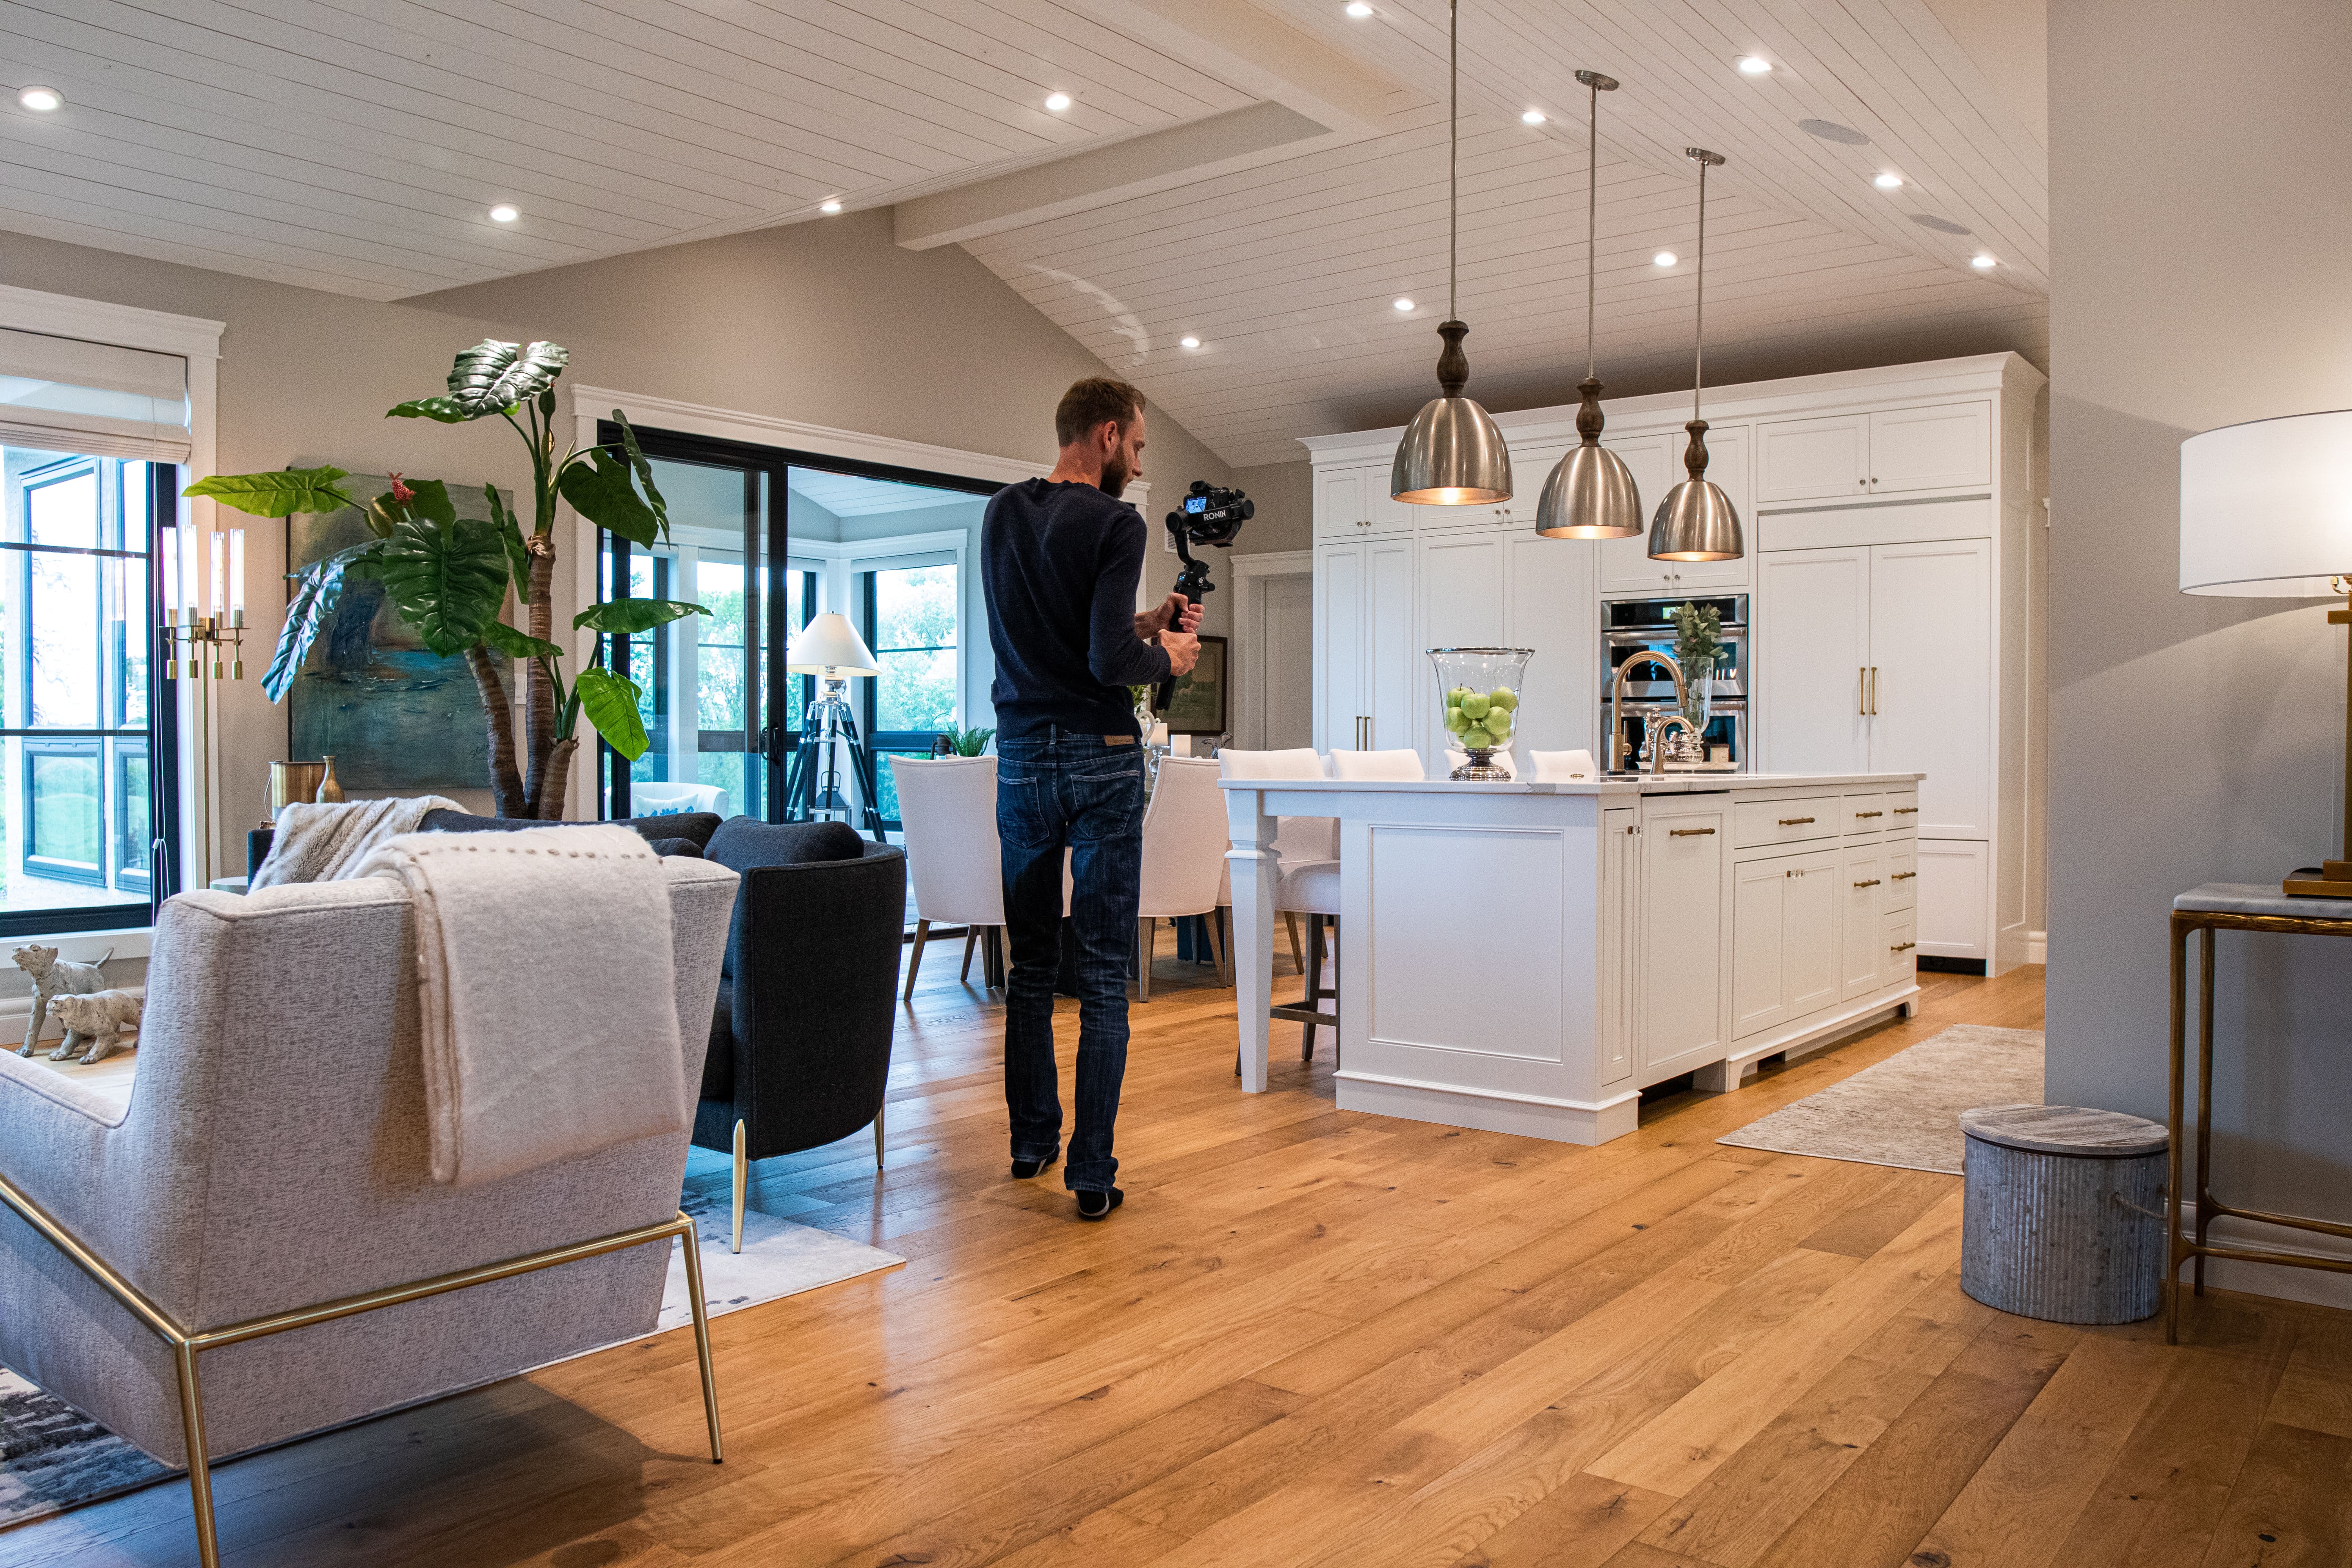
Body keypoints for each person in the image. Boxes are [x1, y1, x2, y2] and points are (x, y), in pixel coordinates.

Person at [980, 377, 1202, 1221]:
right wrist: (1172, 659)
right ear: (1108, 436)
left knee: (1032, 962)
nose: (1139, 462)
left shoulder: (1002, 513)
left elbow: (1064, 637)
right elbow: (1108, 666)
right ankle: (1091, 1170)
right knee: (1105, 973)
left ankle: (1030, 1139)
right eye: (1140, 447)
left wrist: (1147, 620)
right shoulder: (1118, 522)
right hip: (1104, 758)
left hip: (1023, 758)